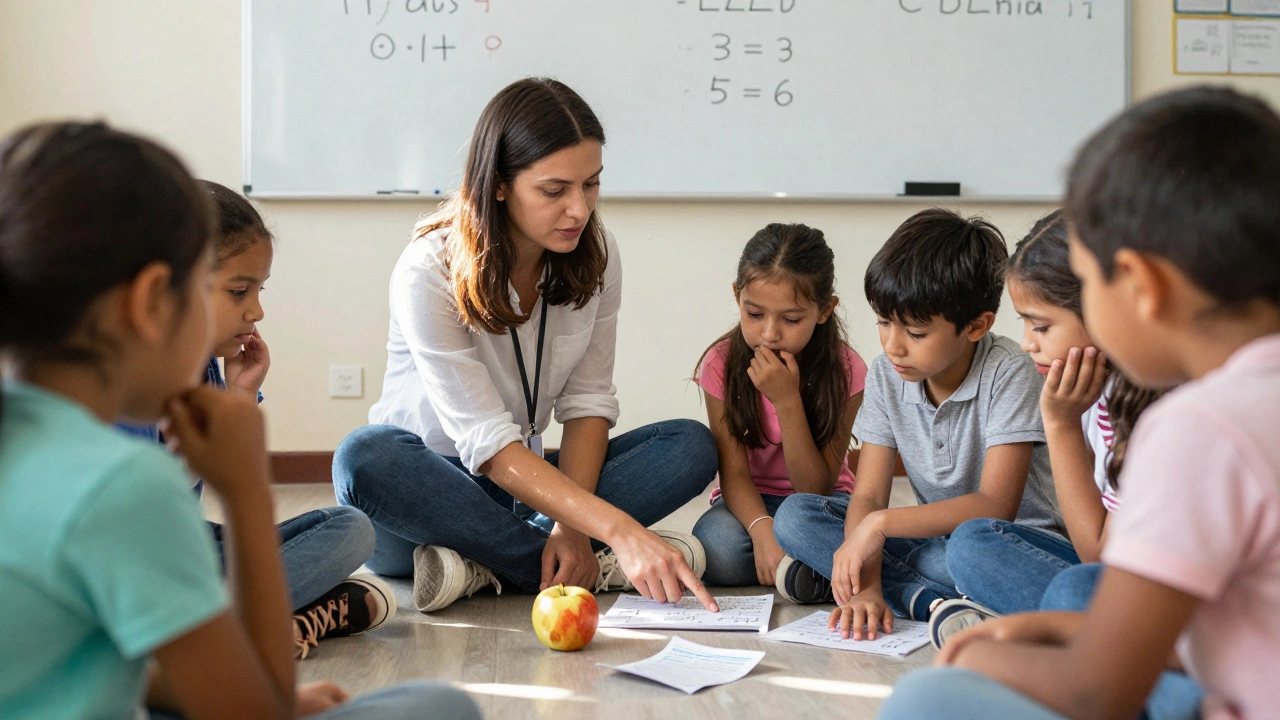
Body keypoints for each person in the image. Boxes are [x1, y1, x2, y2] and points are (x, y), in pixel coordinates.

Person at [0, 121, 478, 719]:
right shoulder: (118, 484)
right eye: (236, 291)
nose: (254, 311)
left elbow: (68, 651)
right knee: (437, 707)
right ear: (152, 301)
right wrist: (248, 492)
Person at [880, 86, 1280, 720]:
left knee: (926, 696)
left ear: (1143, 286)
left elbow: (1097, 692)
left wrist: (981, 659)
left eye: (1089, 286)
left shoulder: (1202, 426)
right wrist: (1061, 633)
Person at [333, 77, 719, 613]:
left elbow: (587, 404)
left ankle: (487, 566)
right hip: (426, 496)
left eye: (592, 185)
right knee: (362, 456)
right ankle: (564, 564)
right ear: (497, 184)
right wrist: (619, 530)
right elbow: (486, 443)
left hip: (527, 488)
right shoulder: (428, 268)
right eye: (554, 190)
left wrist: (572, 523)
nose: (579, 210)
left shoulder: (597, 254)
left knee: (689, 444)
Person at [772, 208, 1063, 642]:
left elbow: (995, 505)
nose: (893, 345)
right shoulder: (887, 373)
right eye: (884, 322)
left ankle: (891, 588)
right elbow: (868, 494)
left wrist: (878, 528)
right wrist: (867, 583)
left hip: (1006, 543)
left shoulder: (1009, 370)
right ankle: (925, 601)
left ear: (977, 326)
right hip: (931, 539)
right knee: (796, 516)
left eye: (916, 332)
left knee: (960, 553)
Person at [691, 223, 867, 587]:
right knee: (718, 548)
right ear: (737, 295)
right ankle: (807, 569)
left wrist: (787, 401)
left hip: (817, 503)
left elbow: (815, 488)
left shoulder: (848, 370)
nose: (770, 333)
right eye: (755, 314)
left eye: (791, 319)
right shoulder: (719, 364)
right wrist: (761, 531)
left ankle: (806, 563)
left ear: (824, 310)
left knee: (839, 534)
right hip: (749, 504)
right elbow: (734, 475)